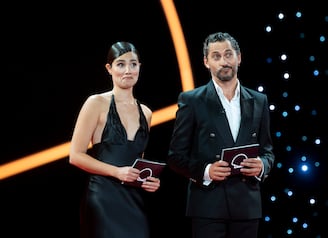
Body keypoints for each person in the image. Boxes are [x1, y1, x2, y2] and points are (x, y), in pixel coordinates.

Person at [167, 32, 275, 238]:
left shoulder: (259, 100)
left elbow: (267, 151)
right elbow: (175, 157)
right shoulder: (192, 100)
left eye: (228, 54)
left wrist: (262, 165)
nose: (223, 61)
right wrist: (206, 171)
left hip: (247, 207)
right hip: (208, 206)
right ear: (206, 62)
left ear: (239, 57)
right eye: (216, 56)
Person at [69, 41, 160, 238]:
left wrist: (147, 180)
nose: (128, 70)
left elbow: (137, 161)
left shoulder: (146, 113)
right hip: (103, 197)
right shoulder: (96, 103)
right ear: (109, 69)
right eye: (121, 64)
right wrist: (116, 172)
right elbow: (75, 156)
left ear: (139, 67)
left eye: (133, 64)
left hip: (134, 200)